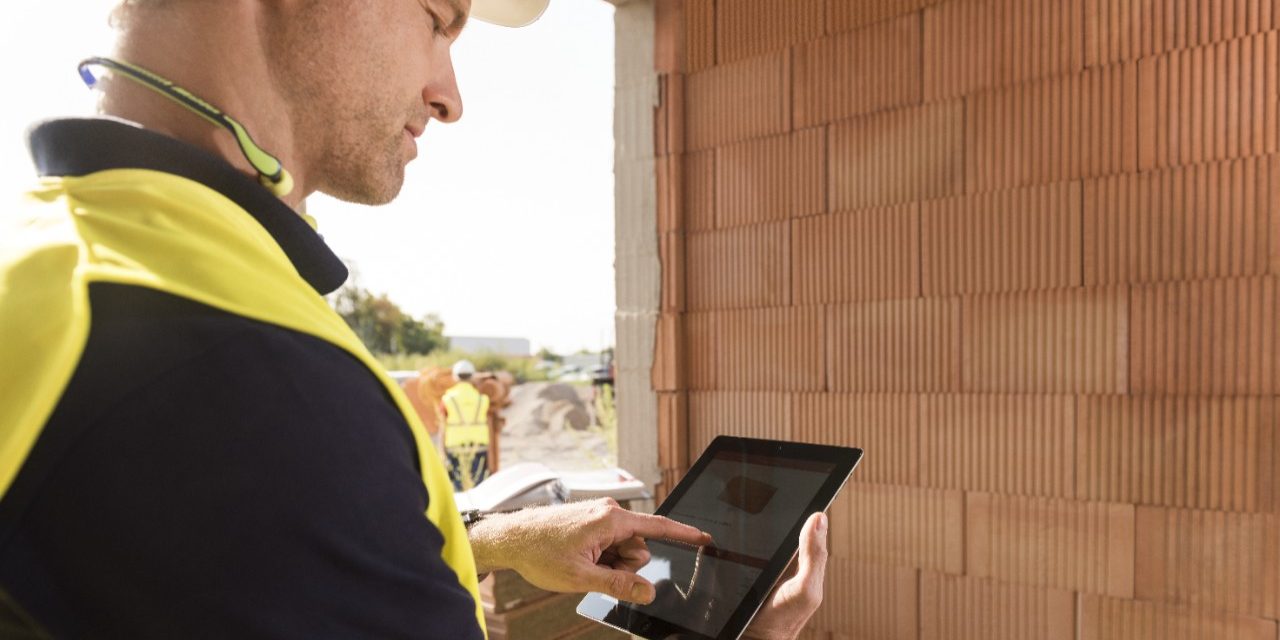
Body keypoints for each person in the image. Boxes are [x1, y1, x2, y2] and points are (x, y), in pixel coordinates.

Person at [0, 0, 829, 637]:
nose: (449, 96)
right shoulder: (233, 367)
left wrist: (486, 539)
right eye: (437, 20)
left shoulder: (72, 262)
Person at [441, 359, 492, 490]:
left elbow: (443, 425)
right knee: (479, 485)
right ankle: (480, 510)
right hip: (479, 446)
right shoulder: (483, 399)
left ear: (454, 376)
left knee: (459, 485)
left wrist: (442, 451)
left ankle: (464, 510)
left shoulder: (448, 399)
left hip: (455, 447)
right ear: (472, 376)